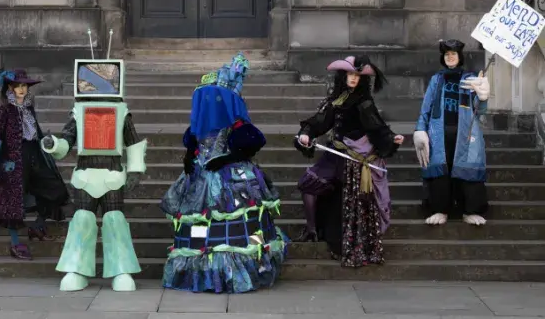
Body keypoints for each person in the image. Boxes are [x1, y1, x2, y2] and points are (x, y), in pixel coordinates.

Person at [159, 52, 289, 293]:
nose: (211, 103)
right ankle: (200, 266)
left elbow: (254, 142)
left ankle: (253, 261)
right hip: (200, 179)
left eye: (215, 98)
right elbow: (191, 142)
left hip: (234, 180)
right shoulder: (199, 125)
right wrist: (189, 158)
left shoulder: (236, 125)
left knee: (244, 222)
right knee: (201, 221)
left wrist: (231, 156)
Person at [40, 57, 147, 292]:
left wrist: (136, 171)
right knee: (82, 220)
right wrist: (53, 144)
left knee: (115, 220)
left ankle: (121, 269)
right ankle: (76, 268)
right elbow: (67, 141)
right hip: (86, 175)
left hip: (113, 175)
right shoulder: (78, 112)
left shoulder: (121, 112)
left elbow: (133, 143)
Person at [293, 55, 403, 267]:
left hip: (353, 159)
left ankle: (343, 240)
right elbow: (321, 121)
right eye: (350, 75)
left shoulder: (364, 103)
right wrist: (307, 133)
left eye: (357, 76)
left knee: (346, 201)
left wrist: (391, 139)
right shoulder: (337, 98)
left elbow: (376, 127)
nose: (353, 79)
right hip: (334, 153)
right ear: (343, 77)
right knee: (308, 184)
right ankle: (312, 230)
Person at [0, 69, 70, 260]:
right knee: (13, 203)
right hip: (12, 161)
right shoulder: (3, 111)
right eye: (18, 86)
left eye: (24, 86)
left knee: (55, 189)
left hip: (34, 155)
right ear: (10, 88)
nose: (22, 89)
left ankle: (37, 226)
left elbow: (35, 133)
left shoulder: (28, 108)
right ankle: (15, 243)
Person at [413, 39, 490, 226]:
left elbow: (479, 111)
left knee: (468, 168)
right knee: (440, 170)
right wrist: (420, 130)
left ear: (459, 56)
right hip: (439, 133)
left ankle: (469, 210)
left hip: (466, 133)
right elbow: (426, 108)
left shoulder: (471, 78)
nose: (450, 57)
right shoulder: (436, 79)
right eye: (447, 54)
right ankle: (440, 209)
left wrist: (483, 97)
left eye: (453, 54)